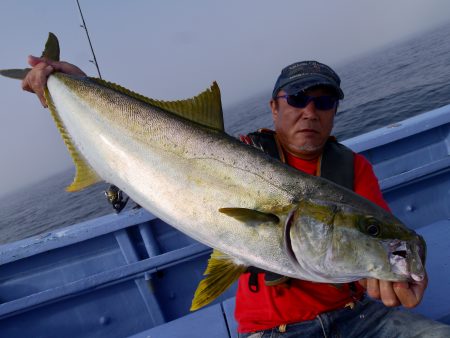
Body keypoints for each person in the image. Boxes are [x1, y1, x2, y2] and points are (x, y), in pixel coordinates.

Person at [22, 56, 450, 337]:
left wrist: (401, 278)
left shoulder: (354, 170)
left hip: (360, 319)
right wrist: (75, 88)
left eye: (324, 102)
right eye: (298, 98)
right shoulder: (243, 150)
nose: (310, 111)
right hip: (271, 329)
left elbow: (370, 247)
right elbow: (148, 157)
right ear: (274, 107)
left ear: (334, 112)